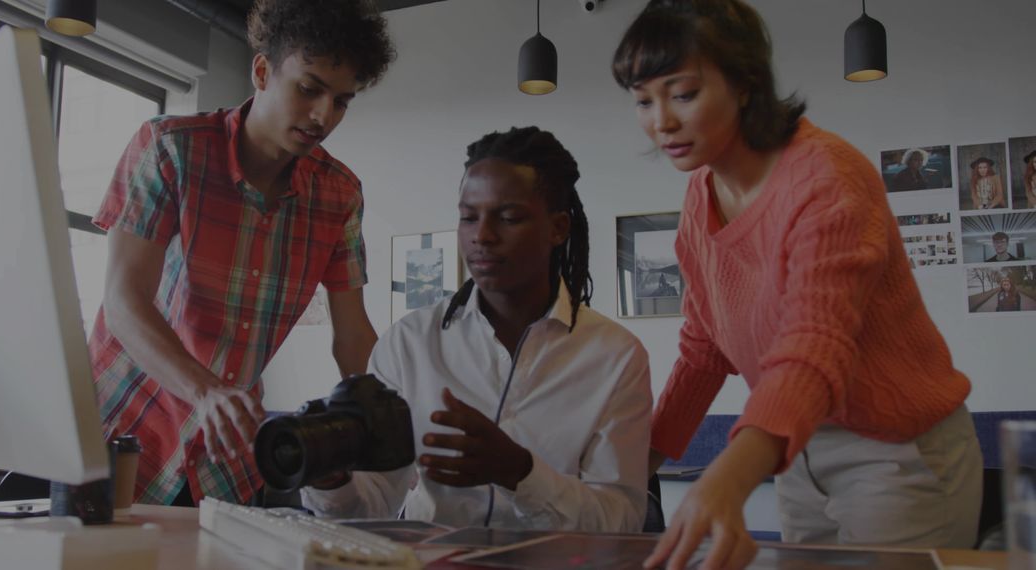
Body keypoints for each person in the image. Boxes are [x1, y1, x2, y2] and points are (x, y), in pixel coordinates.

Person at [610, 1, 982, 568]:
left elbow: (813, 347)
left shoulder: (825, 176)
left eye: (682, 94)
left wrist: (727, 477)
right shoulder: (700, 196)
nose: (661, 121)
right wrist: (646, 463)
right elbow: (706, 347)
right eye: (643, 101)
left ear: (743, 83)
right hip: (794, 446)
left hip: (895, 449)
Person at [89, 0, 395, 506]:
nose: (323, 115)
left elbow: (353, 334)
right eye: (308, 88)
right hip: (119, 434)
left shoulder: (340, 194)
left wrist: (386, 416)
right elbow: (125, 303)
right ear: (260, 71)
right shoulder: (169, 149)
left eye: (342, 101)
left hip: (225, 458)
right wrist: (206, 392)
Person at [300, 127, 652, 532]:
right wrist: (332, 480)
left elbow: (622, 521)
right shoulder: (410, 343)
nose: (481, 236)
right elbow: (372, 505)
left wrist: (521, 473)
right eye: (468, 217)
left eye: (508, 218)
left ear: (557, 228)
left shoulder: (615, 356)